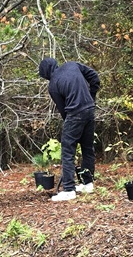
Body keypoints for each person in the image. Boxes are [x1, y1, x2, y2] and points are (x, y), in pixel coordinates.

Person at [38, 57, 101, 202]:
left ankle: (68, 189)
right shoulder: (72, 65)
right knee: (87, 147)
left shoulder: (53, 85)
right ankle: (87, 183)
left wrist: (73, 128)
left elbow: (64, 112)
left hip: (74, 114)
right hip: (90, 110)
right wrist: (91, 96)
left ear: (46, 73)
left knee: (67, 150)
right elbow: (94, 77)